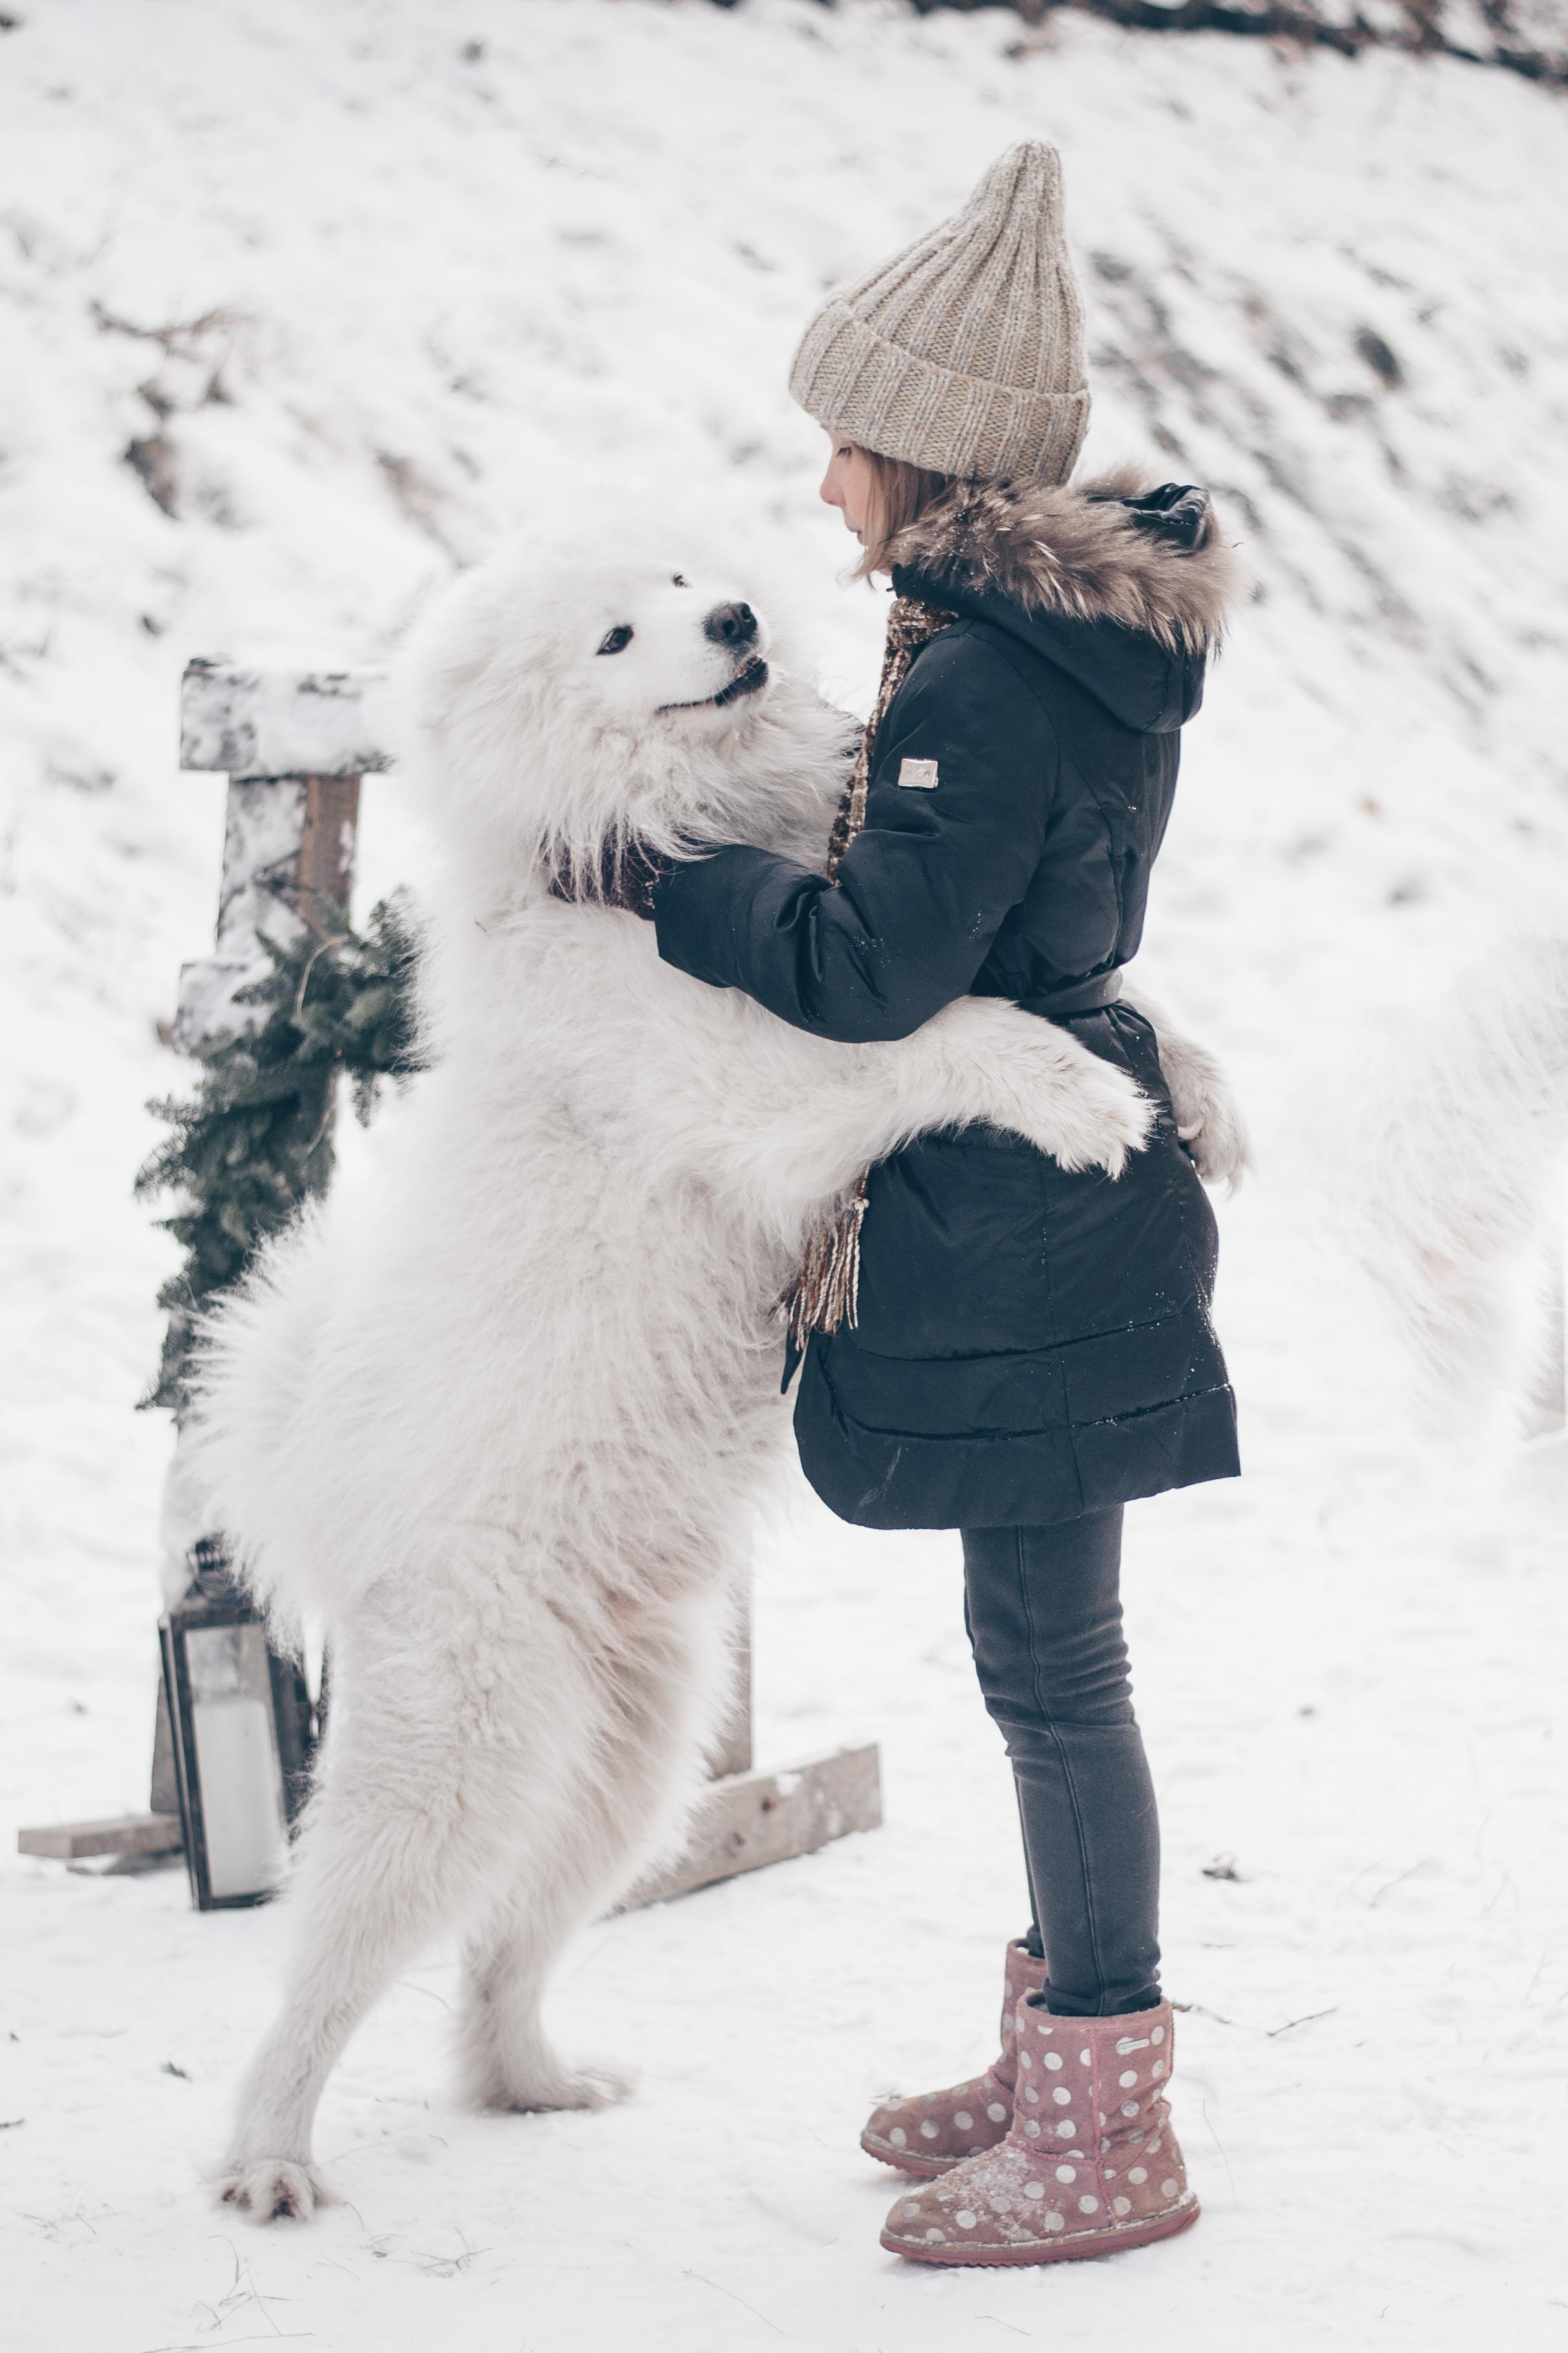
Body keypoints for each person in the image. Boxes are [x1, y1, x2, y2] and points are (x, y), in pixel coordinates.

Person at [651, 143, 1243, 2267]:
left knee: (1058, 1668)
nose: (824, 485)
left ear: (925, 453)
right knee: (1040, 1655)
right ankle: (1062, 2043)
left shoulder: (984, 670)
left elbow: (873, 970)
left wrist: (679, 885)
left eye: (847, 441)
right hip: (1054, 1185)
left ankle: (1108, 2126)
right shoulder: (1046, 638)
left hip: (1028, 1209)